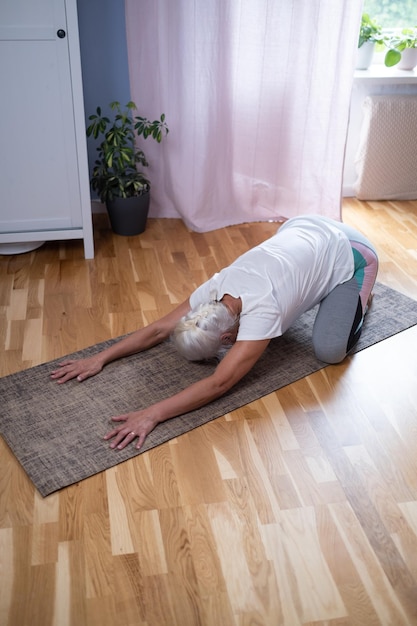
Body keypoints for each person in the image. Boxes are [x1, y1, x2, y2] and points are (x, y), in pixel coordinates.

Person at [51, 215, 378, 451]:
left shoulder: (263, 310)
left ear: (226, 340)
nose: (222, 356)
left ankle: (358, 296)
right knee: (299, 296)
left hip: (353, 250)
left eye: (218, 353)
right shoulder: (215, 289)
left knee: (329, 350)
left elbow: (220, 382)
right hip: (301, 226)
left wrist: (152, 414)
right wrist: (101, 358)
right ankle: (321, 284)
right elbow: (161, 328)